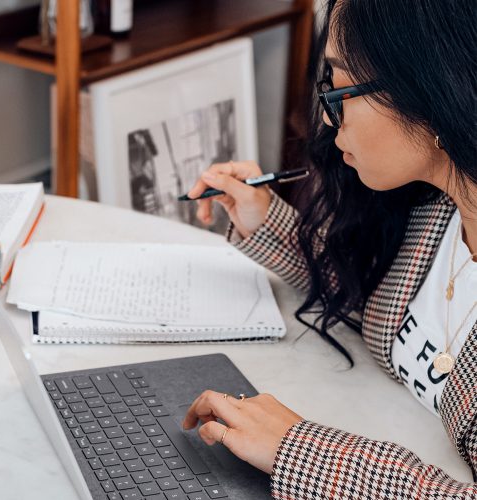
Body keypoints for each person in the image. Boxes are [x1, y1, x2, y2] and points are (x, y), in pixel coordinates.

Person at [181, 0, 477, 498]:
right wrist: (263, 218)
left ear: (430, 87)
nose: (327, 110)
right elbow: (373, 297)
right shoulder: (438, 210)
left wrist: (296, 449)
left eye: (340, 86)